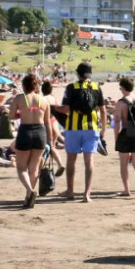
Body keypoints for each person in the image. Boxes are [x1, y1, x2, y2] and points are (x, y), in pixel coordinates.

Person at [55, 63, 108, 203]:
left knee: (71, 160)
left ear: (78, 74)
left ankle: (70, 191)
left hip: (73, 129)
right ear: (90, 74)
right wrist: (103, 129)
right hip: (92, 129)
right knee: (89, 161)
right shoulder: (97, 88)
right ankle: (87, 194)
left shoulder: (71, 88)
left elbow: (65, 109)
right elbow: (103, 110)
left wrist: (52, 108)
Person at [8, 73, 55, 209]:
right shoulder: (43, 101)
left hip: (26, 131)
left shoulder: (19, 98)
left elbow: (11, 116)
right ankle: (28, 197)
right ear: (35, 86)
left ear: (24, 85)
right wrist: (51, 141)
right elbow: (48, 123)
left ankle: (30, 190)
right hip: (40, 133)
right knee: (34, 167)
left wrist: (20, 113)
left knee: (21, 167)